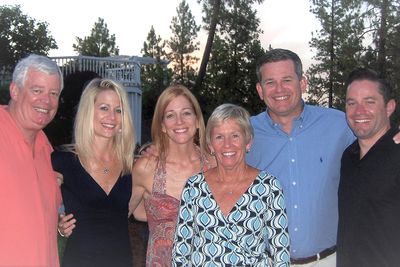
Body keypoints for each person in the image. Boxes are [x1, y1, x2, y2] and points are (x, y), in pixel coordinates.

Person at [245, 48, 356, 266]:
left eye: (287, 79)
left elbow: (375, 147)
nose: (279, 89)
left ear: (302, 83)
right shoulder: (244, 133)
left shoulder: (339, 125)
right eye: (270, 82)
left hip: (328, 260)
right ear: (260, 89)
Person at [172, 103, 290, 266]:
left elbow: (281, 254)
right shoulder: (194, 187)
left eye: (235, 136)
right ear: (211, 145)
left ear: (248, 142)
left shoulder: (270, 187)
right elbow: (181, 253)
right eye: (219, 137)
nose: (227, 145)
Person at [129, 84, 214, 267]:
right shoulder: (146, 168)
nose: (179, 122)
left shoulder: (216, 165)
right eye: (170, 115)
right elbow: (119, 214)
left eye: (186, 113)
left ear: (198, 120)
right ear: (163, 126)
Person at [53, 78, 135, 267]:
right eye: (104, 108)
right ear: (89, 112)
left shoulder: (131, 165)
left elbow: (139, 209)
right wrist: (57, 223)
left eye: (118, 110)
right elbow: (35, 206)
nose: (112, 117)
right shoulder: (62, 161)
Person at [0, 54, 63, 266]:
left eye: (53, 93)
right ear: (15, 91)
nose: (46, 101)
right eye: (37, 90)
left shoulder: (47, 150)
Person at [337, 68, 400, 266]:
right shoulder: (349, 156)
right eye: (352, 103)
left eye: (369, 102)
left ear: (389, 107)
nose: (359, 111)